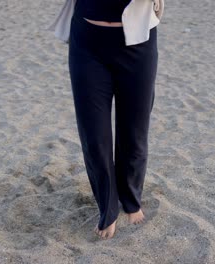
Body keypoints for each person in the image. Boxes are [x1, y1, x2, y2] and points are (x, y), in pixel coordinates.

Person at [68, 0, 158, 240]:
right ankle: (107, 208)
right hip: (88, 42)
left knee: (134, 133)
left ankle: (130, 199)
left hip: (137, 43)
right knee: (94, 135)